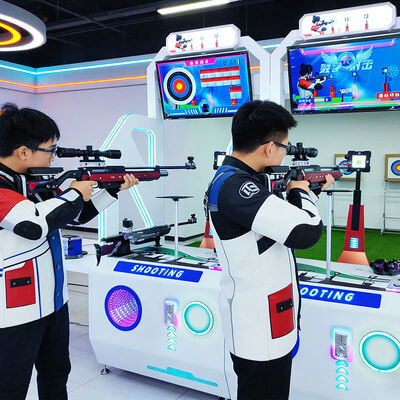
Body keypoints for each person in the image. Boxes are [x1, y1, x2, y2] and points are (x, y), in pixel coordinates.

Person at [0, 103, 139, 400]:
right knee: (10, 386)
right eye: (50, 149)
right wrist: (76, 191)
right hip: (13, 312)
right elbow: (32, 224)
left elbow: (72, 215)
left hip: (54, 302)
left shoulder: (35, 181)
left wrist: (110, 190)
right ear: (23, 151)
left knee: (56, 375)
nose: (53, 156)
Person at [205, 100, 334, 400]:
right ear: (268, 148)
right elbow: (306, 232)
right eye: (284, 147)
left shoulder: (242, 180)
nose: (284, 154)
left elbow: (274, 225)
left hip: (267, 319)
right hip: (258, 329)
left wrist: (306, 194)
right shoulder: (236, 186)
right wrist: (301, 193)